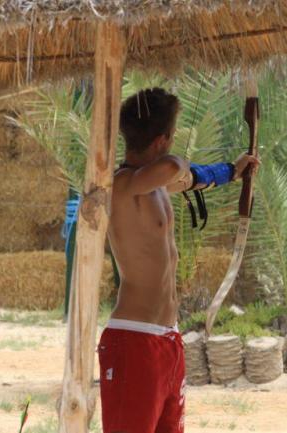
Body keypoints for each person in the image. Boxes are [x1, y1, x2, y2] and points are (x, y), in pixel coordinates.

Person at [97, 87, 259, 433]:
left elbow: (188, 177)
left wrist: (232, 171)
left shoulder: (154, 184)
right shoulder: (122, 186)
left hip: (167, 339)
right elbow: (176, 167)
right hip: (133, 338)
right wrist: (186, 169)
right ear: (164, 139)